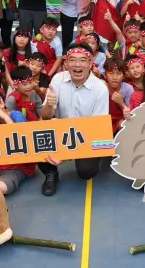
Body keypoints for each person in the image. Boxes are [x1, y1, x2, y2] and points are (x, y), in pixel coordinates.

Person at [38, 43, 110, 195]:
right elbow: (45, 117)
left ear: (91, 63)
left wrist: (65, 156)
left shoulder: (100, 89)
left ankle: (94, 158)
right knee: (39, 137)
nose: (78, 64)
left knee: (87, 171)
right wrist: (50, 105)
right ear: (66, 63)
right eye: (73, 60)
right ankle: (51, 173)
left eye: (83, 60)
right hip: (62, 132)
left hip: (87, 136)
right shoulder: (57, 80)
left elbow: (96, 130)